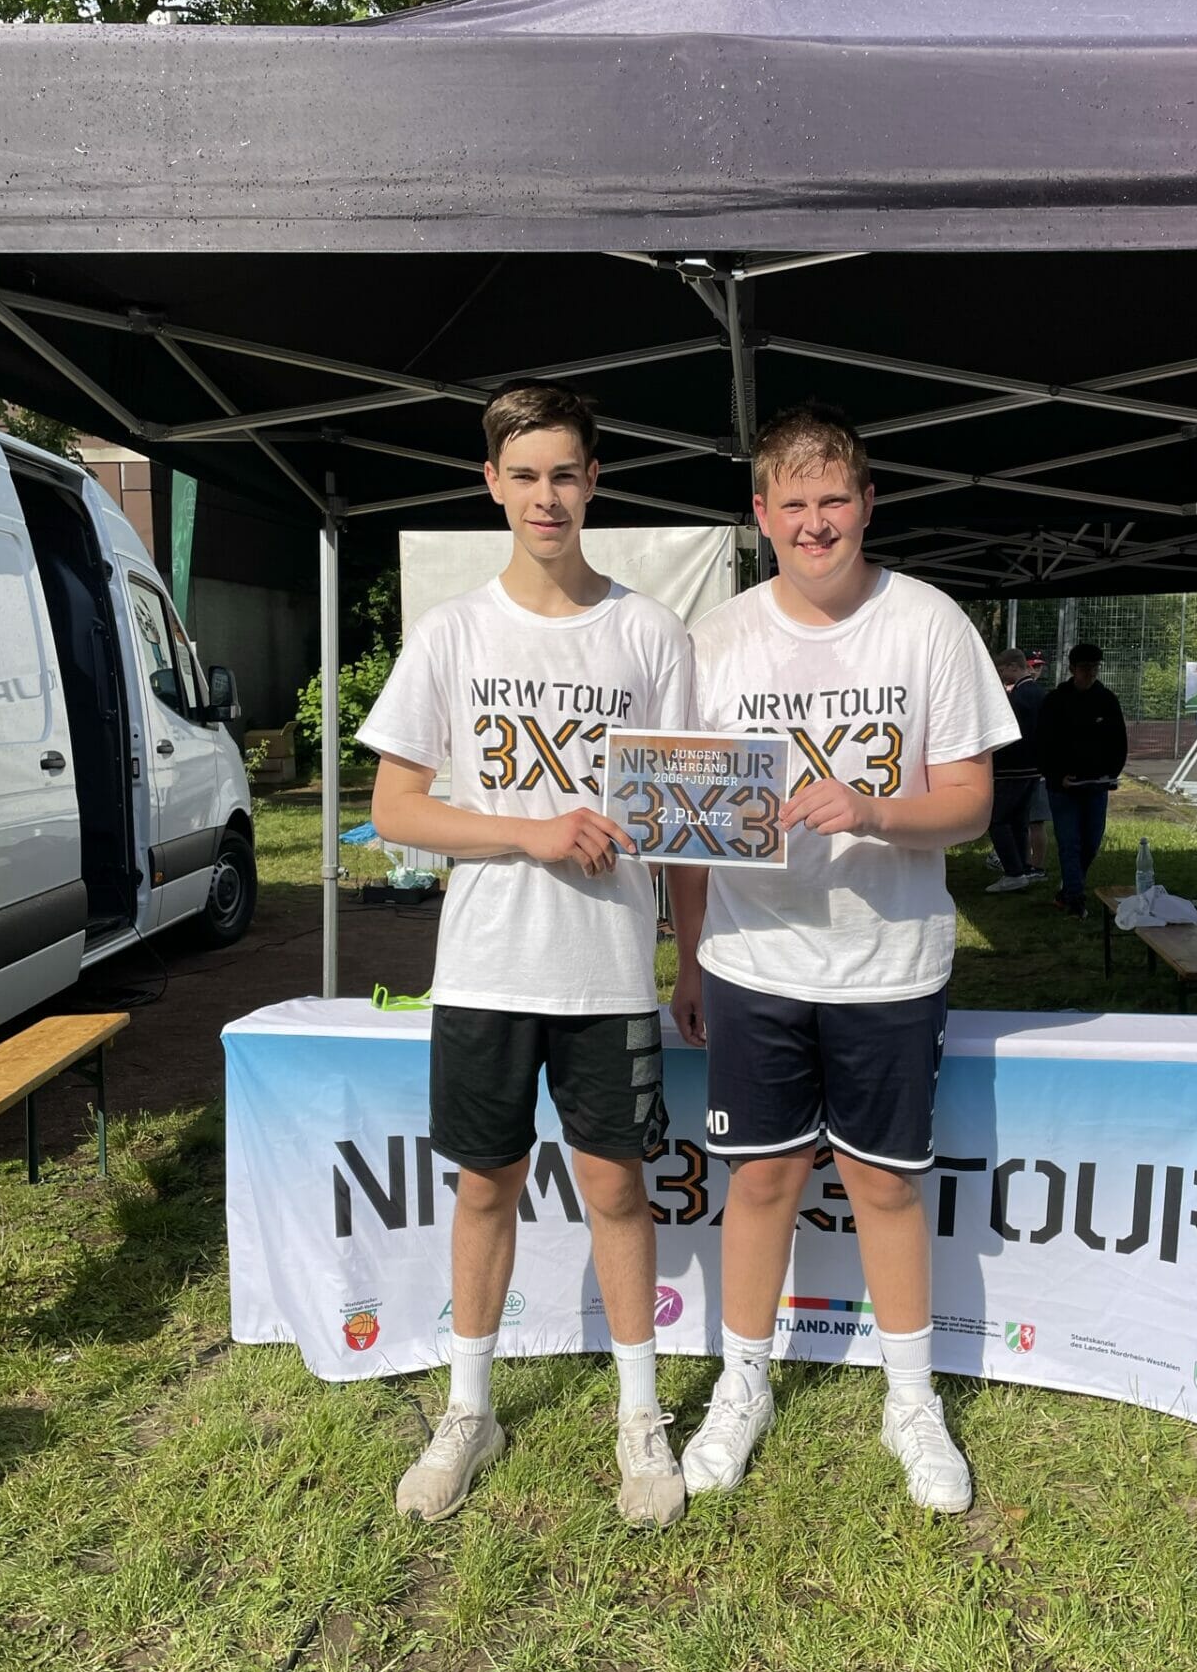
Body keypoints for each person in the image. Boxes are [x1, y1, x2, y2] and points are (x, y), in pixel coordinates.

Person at [669, 402, 1018, 1514]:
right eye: (794, 503)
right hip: (752, 959)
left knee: (884, 1185)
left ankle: (911, 1401)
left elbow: (972, 804)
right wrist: (688, 960)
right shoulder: (715, 640)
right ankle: (744, 1384)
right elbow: (687, 823)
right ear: (760, 513)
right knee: (762, 1179)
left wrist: (872, 809)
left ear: (867, 504)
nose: (815, 523)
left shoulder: (929, 624)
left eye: (835, 500)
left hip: (891, 962)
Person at [360, 383, 692, 1528]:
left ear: (593, 482)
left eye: (564, 474)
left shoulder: (649, 632)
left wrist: (693, 959)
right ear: (492, 484)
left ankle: (639, 1416)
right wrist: (529, 831)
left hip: (608, 970)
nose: (546, 496)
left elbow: (686, 818)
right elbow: (396, 808)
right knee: (484, 1188)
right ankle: (471, 1410)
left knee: (617, 1189)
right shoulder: (454, 632)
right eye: (525, 475)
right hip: (487, 967)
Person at [1037, 642, 1128, 918]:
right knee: (1069, 841)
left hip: (1096, 785)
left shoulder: (1107, 700)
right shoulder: (1055, 701)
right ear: (1072, 669)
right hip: (1063, 787)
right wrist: (1056, 776)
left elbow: (1119, 742)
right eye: (1085, 668)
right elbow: (1042, 744)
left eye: (1095, 668)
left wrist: (1111, 774)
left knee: (1091, 842)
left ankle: (1068, 889)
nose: (1090, 673)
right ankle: (1075, 899)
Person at [985, 647, 1047, 892]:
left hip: (1012, 768)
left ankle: (1013, 871)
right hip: (1033, 768)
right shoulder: (1039, 693)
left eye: (1002, 670)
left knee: (998, 820)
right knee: (1019, 821)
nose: (1001, 675)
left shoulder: (1016, 697)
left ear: (1013, 667)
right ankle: (1023, 867)